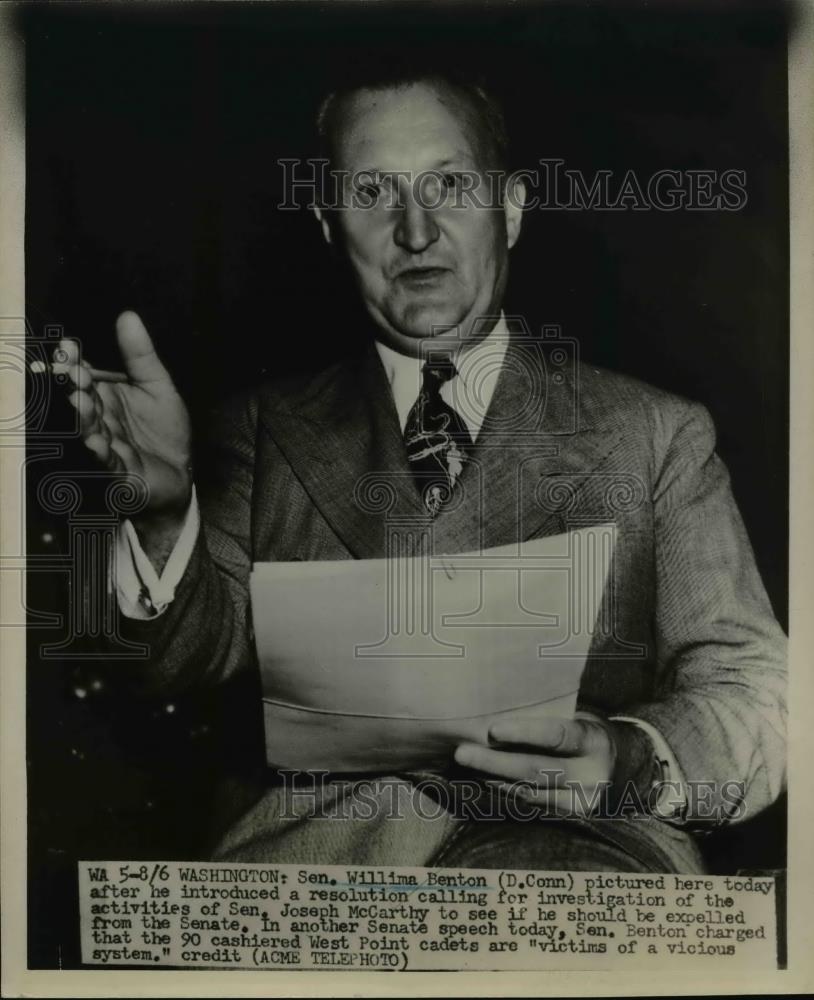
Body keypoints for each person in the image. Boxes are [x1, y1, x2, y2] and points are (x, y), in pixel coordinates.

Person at [50, 65, 786, 873]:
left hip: (580, 869)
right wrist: (164, 514)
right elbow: (179, 660)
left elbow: (756, 695)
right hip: (318, 883)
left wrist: (628, 758)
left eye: (450, 185)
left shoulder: (655, 434)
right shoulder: (259, 431)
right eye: (371, 193)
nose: (415, 229)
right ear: (331, 226)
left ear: (509, 211)